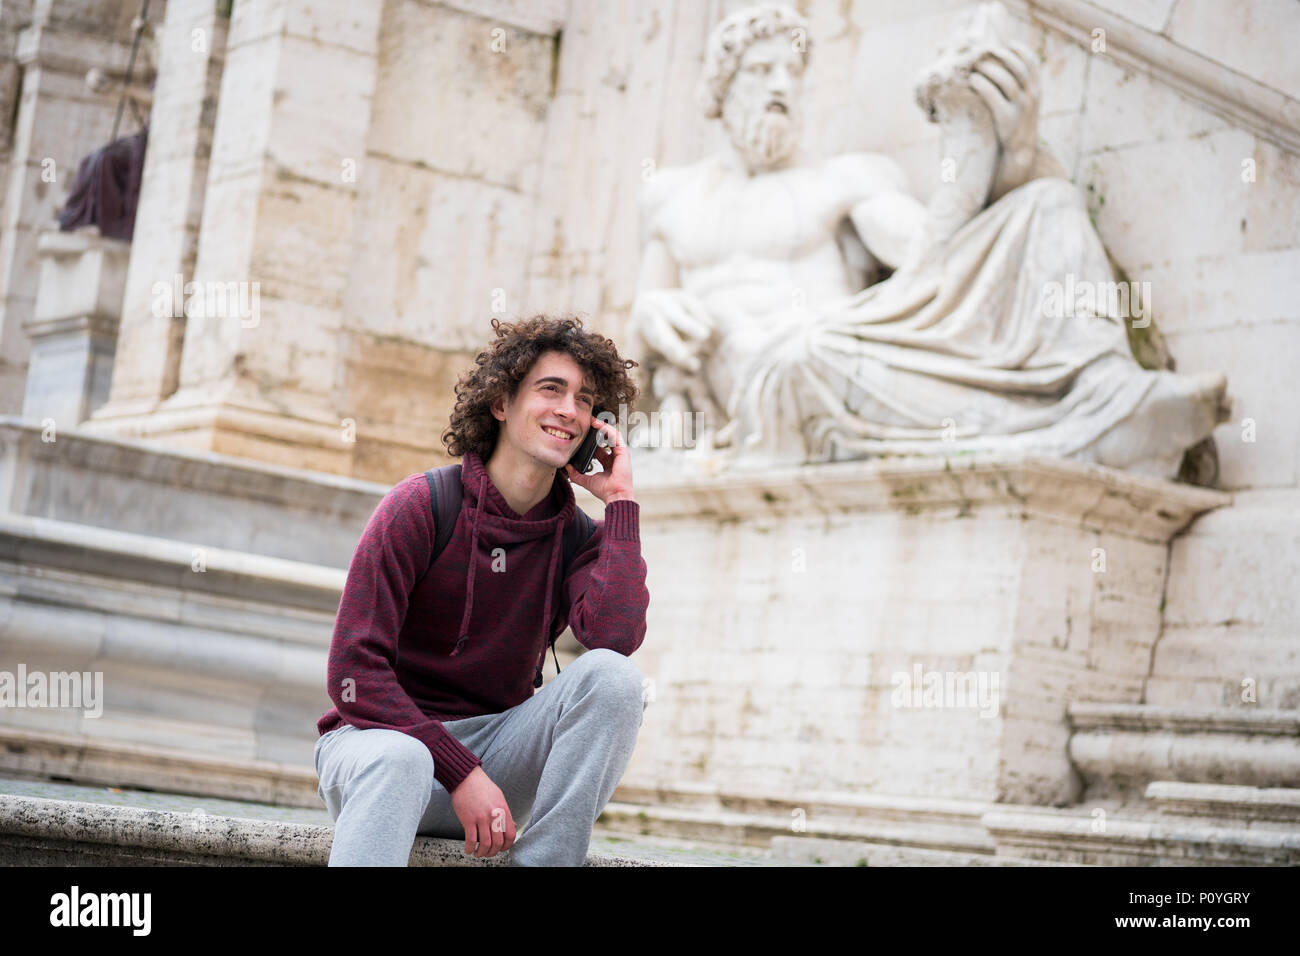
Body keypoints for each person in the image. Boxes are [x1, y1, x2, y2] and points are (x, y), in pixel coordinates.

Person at [314, 315, 648, 866]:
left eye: (585, 400)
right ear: (500, 403)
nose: (569, 409)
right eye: (551, 389)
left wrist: (620, 505)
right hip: (380, 753)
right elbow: (352, 674)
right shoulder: (420, 507)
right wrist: (459, 768)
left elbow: (615, 637)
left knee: (615, 679)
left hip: (497, 766)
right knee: (403, 760)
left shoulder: (578, 538)